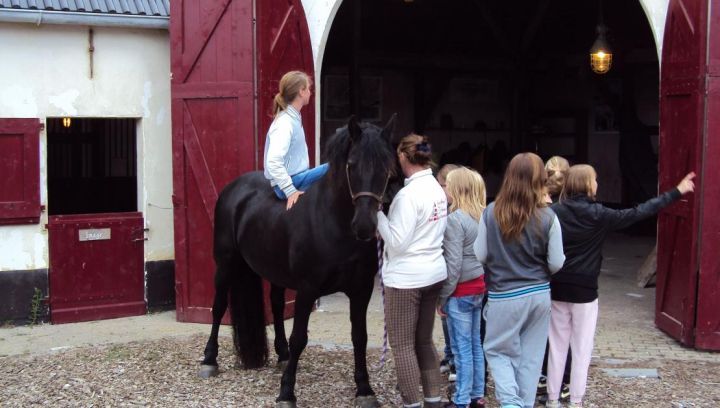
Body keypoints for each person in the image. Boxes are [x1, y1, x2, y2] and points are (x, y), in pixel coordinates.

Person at [545, 166, 696, 408]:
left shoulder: (553, 212)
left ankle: (552, 399)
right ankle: (575, 401)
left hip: (557, 286)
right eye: (595, 179)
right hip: (585, 289)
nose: (597, 183)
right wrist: (676, 192)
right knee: (582, 347)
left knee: (556, 345)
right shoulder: (600, 214)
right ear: (586, 184)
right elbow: (639, 212)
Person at [473, 152, 565, 408]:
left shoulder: (490, 213)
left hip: (503, 295)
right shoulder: (549, 217)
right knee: (532, 358)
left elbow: (480, 254)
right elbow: (557, 262)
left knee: (498, 351)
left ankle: (511, 403)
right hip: (539, 294)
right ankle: (522, 403)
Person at [377, 134, 448, 408]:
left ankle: (412, 403)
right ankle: (433, 399)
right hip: (433, 273)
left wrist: (379, 215)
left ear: (404, 157)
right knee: (424, 340)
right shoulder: (437, 189)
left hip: (407, 279)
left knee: (403, 345)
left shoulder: (407, 196)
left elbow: (396, 242)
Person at [437, 167, 488, 408]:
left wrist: (443, 296)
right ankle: (477, 394)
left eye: (447, 186)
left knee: (461, 349)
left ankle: (462, 399)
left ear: (456, 190)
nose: (443, 190)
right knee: (476, 344)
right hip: (479, 288)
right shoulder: (481, 216)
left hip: (460, 292)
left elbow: (454, 263)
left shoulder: (455, 220)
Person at [263, 71, 327, 210]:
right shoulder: (285, 123)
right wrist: (290, 190)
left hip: (297, 177)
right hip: (290, 183)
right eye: (308, 89)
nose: (310, 92)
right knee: (333, 168)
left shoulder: (293, 118)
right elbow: (273, 162)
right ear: (301, 92)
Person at [538, 155, 572, 404]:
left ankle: (542, 374)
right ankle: (565, 380)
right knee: (564, 334)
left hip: (543, 278)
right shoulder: (576, 209)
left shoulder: (543, 212)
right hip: (569, 278)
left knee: (541, 331)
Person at [436, 163, 461, 380]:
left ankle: (455, 360)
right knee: (446, 320)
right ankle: (448, 354)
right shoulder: (443, 209)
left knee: (450, 319)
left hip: (455, 279)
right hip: (448, 275)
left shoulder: (455, 215)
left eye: (441, 185)